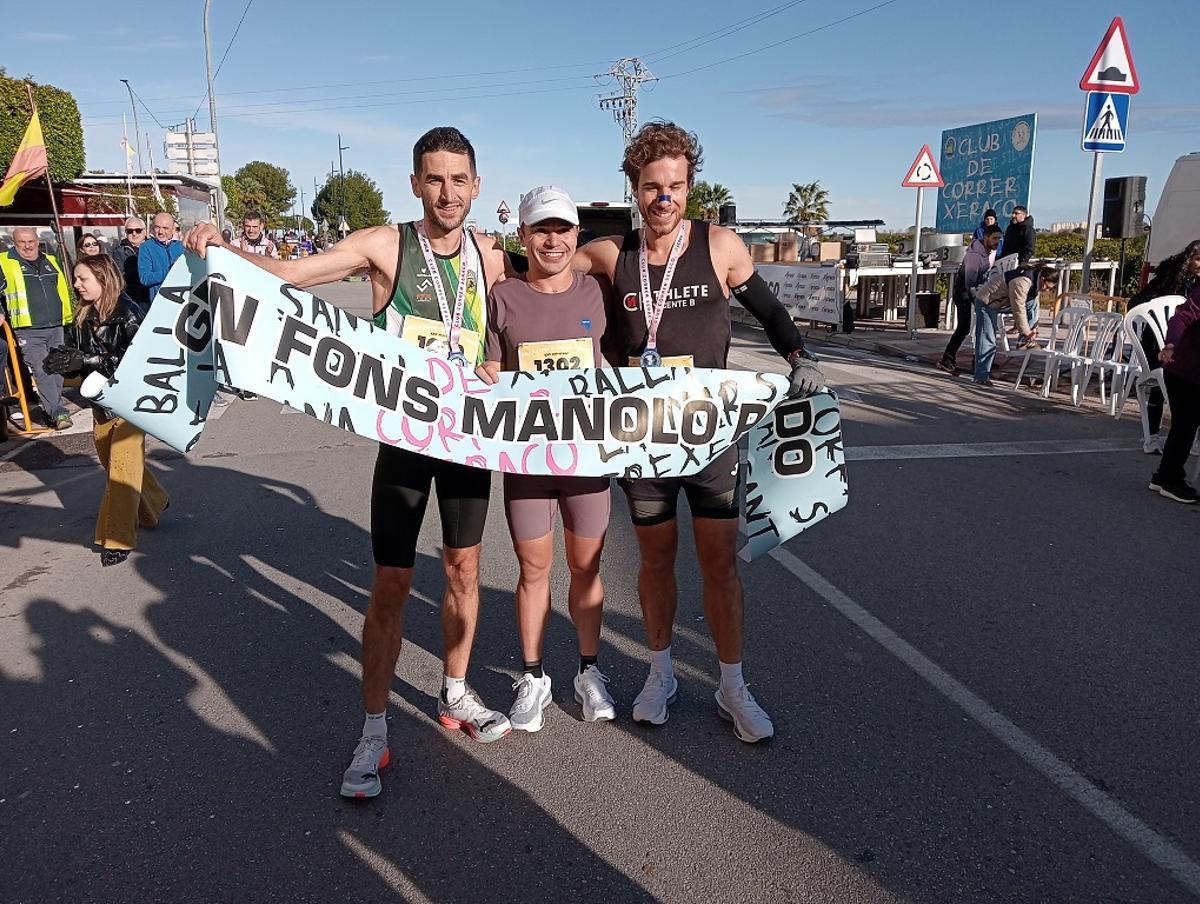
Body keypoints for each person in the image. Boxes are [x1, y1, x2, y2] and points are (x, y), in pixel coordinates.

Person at [185, 126, 514, 798]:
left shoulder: (489, 255)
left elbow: (512, 328)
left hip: (467, 443)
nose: (447, 193)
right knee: (391, 584)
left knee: (464, 569)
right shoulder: (386, 245)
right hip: (404, 445)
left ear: (477, 186)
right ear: (415, 183)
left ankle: (454, 691)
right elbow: (291, 276)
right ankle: (373, 729)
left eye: (459, 179)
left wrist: (496, 362)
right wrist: (222, 249)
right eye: (434, 179)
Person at [572, 121, 825, 743]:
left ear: (690, 186)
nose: (664, 198)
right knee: (655, 561)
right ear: (634, 188)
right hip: (643, 440)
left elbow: (769, 309)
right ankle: (660, 673)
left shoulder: (720, 245)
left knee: (718, 563)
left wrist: (800, 358)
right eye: (652, 187)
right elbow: (543, 269)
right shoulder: (611, 253)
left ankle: (732, 687)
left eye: (676, 186)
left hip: (711, 438)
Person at [475, 186, 615, 731]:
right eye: (541, 230)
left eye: (562, 230)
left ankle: (589, 672)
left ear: (576, 235)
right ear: (523, 235)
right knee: (534, 570)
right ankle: (533, 677)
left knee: (587, 568)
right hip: (528, 463)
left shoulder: (596, 292)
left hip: (586, 461)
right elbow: (490, 363)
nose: (552, 241)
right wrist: (489, 372)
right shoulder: (503, 296)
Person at [42, 256, 170, 565]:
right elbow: (75, 357)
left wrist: (89, 361)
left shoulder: (130, 314)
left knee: (120, 471)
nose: (76, 284)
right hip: (101, 406)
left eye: (83, 278)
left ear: (104, 279)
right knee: (114, 463)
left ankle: (117, 539)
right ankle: (155, 501)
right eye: (76, 278)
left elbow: (142, 361)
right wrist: (60, 362)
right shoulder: (83, 316)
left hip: (131, 404)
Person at [1126, 239, 1200, 453]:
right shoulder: (1169, 278)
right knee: (1160, 385)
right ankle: (1152, 437)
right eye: (1198, 259)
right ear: (1188, 259)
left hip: (1187, 347)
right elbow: (1136, 303)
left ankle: (1191, 440)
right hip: (1158, 342)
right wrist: (1159, 311)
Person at [0, 226, 74, 429]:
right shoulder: (5, 262)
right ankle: (58, 412)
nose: (27, 246)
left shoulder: (50, 260)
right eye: (22, 242)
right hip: (28, 328)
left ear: (37, 241)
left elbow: (61, 289)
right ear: (14, 243)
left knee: (57, 369)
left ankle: (52, 411)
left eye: (31, 241)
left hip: (55, 324)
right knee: (42, 370)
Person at [1150, 283, 1200, 503]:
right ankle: (1171, 480)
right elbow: (1180, 318)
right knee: (1185, 426)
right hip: (1185, 371)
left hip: (1185, 370)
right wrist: (1171, 344)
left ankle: (1163, 476)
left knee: (1183, 426)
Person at [971, 263, 1057, 385]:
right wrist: (1026, 331)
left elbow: (1032, 308)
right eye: (1047, 287)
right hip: (987, 302)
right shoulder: (1022, 282)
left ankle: (1024, 342)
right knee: (988, 339)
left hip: (1002, 301)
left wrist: (1033, 328)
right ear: (1043, 279)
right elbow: (1018, 309)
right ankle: (981, 376)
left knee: (1033, 303)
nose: (1047, 290)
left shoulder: (1034, 281)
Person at [939, 225, 1002, 376]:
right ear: (986, 237)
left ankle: (981, 360)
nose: (997, 242)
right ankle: (947, 359)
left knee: (981, 325)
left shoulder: (990, 252)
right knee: (965, 326)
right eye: (994, 238)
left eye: (999, 239)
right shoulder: (974, 256)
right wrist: (979, 300)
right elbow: (970, 283)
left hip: (978, 289)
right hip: (964, 292)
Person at [138, 212, 183, 304]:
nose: (160, 232)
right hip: (159, 303)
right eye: (157, 227)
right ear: (152, 228)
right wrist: (170, 271)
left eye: (165, 228)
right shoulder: (146, 247)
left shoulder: (183, 247)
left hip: (182, 300)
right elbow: (145, 278)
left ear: (173, 229)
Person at [111, 217, 150, 311]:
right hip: (132, 298)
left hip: (152, 296)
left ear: (145, 231)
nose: (134, 233)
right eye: (130, 231)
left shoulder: (153, 248)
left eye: (138, 230)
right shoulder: (119, 251)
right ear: (126, 232)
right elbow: (119, 276)